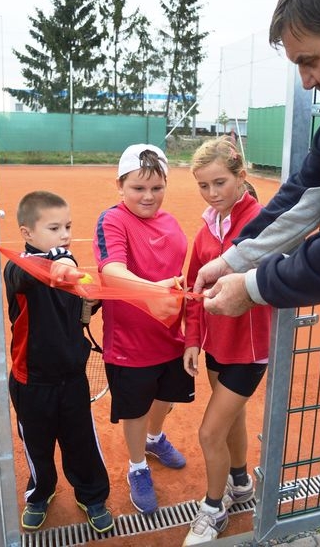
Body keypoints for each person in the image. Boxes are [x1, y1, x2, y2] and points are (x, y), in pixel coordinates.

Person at [193, 0, 320, 547]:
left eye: (309, 60)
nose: (305, 80)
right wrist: (233, 258)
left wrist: (251, 286)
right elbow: (307, 192)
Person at [92, 144, 195, 516]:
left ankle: (154, 440)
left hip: (170, 335)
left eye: (156, 187)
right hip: (130, 342)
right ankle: (137, 466)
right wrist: (153, 294)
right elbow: (110, 271)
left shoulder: (170, 222)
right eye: (138, 188)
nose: (148, 196)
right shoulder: (112, 220)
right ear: (121, 185)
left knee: (164, 397)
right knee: (133, 408)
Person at [3, 191, 113, 533]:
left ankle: (92, 494)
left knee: (81, 442)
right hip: (30, 382)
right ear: (27, 234)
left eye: (67, 226)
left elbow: (78, 312)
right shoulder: (16, 269)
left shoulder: (70, 267)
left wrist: (90, 301)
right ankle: (40, 493)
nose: (64, 234)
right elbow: (34, 274)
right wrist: (63, 265)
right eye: (54, 228)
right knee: (37, 445)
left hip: (71, 380)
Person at [182, 137, 272, 545]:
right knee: (231, 420)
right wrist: (193, 341)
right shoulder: (207, 227)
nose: (212, 193)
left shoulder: (261, 222)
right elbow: (194, 289)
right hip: (217, 346)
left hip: (249, 352)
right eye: (203, 185)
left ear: (241, 177)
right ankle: (241, 483)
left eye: (219, 182)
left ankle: (213, 510)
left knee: (208, 433)